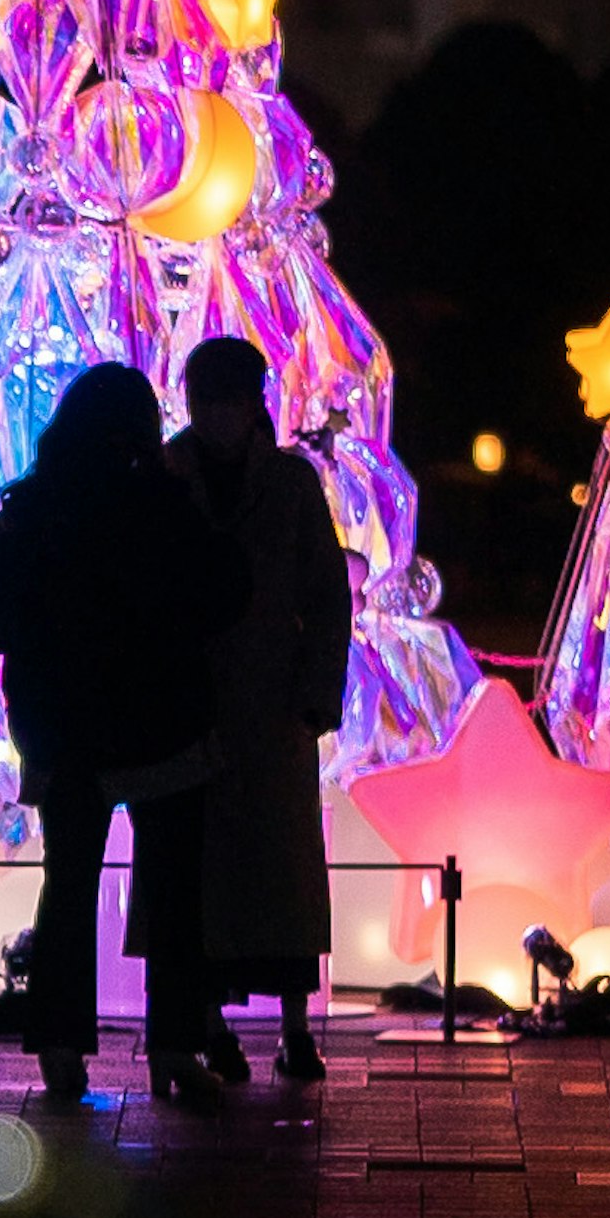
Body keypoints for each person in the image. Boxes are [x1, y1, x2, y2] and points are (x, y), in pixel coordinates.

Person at [0, 361, 250, 1112]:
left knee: (68, 887)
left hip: (64, 732)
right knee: (173, 889)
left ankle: (61, 1048)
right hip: (162, 722)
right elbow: (224, 591)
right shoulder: (161, 502)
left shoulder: (32, 510)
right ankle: (174, 1047)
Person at [169, 330, 355, 1086]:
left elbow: (327, 596)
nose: (214, 417)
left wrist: (316, 695)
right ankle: (209, 1026)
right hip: (191, 707)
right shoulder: (170, 473)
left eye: (228, 403)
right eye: (204, 402)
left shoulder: (289, 484)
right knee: (201, 877)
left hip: (273, 705)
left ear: (253, 407)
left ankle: (293, 1028)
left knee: (281, 876)